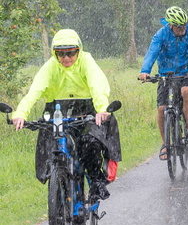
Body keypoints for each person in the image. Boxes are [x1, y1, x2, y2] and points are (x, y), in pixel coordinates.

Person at [11, 29, 121, 200]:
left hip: (88, 110)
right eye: (60, 54)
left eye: (70, 53)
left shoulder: (86, 61)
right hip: (57, 112)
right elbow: (35, 91)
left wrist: (101, 109)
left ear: (78, 50)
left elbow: (97, 86)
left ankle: (95, 180)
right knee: (51, 146)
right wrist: (20, 114)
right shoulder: (51, 66)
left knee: (90, 142)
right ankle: (59, 182)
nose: (66, 58)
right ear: (55, 54)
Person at [138, 6, 188, 161]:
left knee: (186, 91)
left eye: (184, 26)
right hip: (166, 74)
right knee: (162, 108)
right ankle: (164, 144)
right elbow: (152, 53)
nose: (182, 30)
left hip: (187, 71)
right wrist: (145, 71)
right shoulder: (161, 35)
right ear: (170, 25)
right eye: (179, 27)